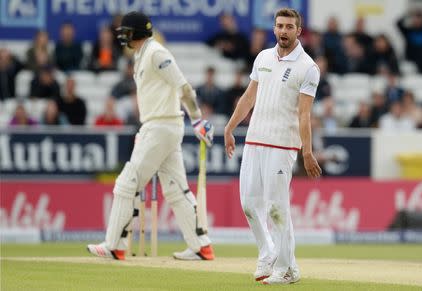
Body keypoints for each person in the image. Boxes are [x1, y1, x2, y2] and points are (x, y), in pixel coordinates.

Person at [87, 11, 215, 261]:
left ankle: (115, 245)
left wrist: (197, 119)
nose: (122, 36)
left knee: (126, 183)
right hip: (158, 128)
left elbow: (184, 87)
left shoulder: (156, 53)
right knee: (176, 189)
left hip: (161, 127)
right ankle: (201, 246)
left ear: (135, 33)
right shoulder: (142, 55)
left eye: (125, 32)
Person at [224, 8, 321, 285]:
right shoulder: (263, 57)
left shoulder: (308, 67)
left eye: (289, 27)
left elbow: (304, 114)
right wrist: (231, 127)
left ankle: (288, 269)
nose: (283, 31)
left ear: (298, 31)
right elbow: (247, 97)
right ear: (274, 28)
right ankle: (268, 253)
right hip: (254, 140)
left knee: (276, 208)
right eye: (279, 26)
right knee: (249, 205)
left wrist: (307, 151)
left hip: (282, 145)